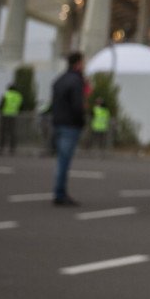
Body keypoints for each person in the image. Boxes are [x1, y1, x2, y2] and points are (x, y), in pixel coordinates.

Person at [50, 52, 87, 206]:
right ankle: (60, 193)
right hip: (70, 125)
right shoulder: (76, 81)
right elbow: (77, 105)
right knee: (64, 161)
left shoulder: (60, 80)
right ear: (78, 63)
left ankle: (59, 192)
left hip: (58, 123)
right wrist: (82, 121)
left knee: (61, 160)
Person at [0, 81, 23, 155]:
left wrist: (0, 111)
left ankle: (1, 148)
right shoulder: (19, 96)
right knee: (12, 132)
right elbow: (21, 106)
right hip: (14, 115)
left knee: (3, 132)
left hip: (5, 115)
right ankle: (12, 149)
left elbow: (1, 105)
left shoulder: (6, 94)